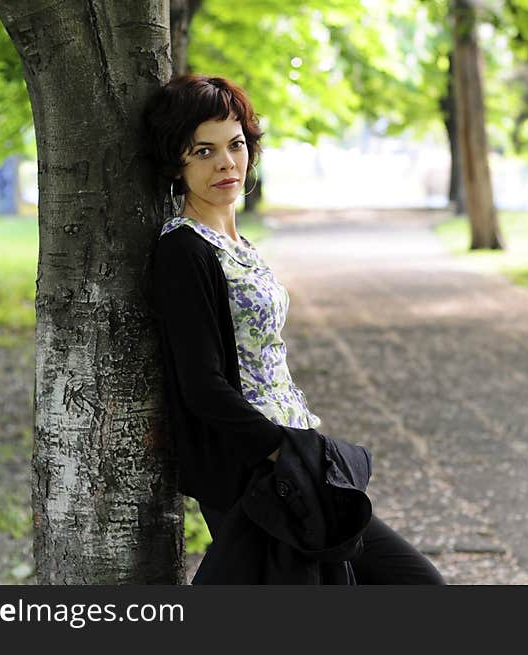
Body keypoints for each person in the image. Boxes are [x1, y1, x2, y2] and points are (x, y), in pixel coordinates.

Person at [143, 74, 444, 585]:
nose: (225, 162)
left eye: (235, 144)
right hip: (256, 470)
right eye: (203, 151)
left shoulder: (238, 246)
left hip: (298, 455)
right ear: (177, 164)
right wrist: (281, 449)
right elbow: (202, 385)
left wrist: (302, 446)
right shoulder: (182, 251)